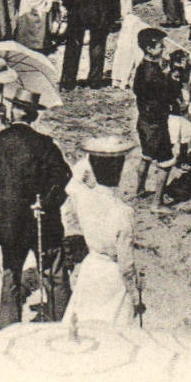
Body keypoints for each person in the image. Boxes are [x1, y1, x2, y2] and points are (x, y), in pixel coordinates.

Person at [0, 88, 72, 325]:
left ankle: (9, 330)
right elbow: (64, 177)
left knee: (10, 276)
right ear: (33, 117)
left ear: (12, 112)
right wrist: (46, 203)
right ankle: (58, 327)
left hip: (7, 224)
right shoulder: (45, 145)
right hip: (42, 221)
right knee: (53, 274)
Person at [61, 137, 143, 325]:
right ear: (119, 170)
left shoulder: (83, 197)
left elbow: (72, 191)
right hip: (113, 277)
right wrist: (135, 293)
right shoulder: (122, 212)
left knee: (82, 323)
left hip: (91, 268)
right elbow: (126, 266)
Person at [132, 28, 181, 203]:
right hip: (157, 124)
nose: (164, 50)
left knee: (146, 155)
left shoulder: (142, 68)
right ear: (150, 49)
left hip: (143, 121)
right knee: (166, 162)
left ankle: (140, 190)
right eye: (161, 46)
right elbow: (168, 95)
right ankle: (157, 203)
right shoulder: (154, 74)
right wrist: (172, 78)